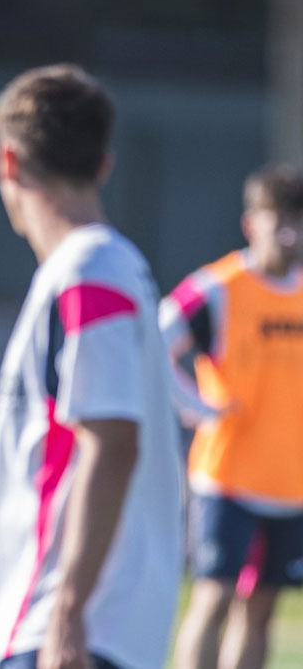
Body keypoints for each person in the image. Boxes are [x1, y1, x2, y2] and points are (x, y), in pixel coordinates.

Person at [0, 64, 184, 669]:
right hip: (71, 628)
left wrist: (68, 614)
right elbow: (68, 468)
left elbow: (112, 446)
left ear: (8, 162)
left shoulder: (90, 270)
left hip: (65, 635)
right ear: (104, 163)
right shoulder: (97, 271)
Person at [161, 164, 303, 669]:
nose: (290, 233)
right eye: (279, 220)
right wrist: (196, 408)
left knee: (262, 609)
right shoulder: (218, 288)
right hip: (226, 477)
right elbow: (156, 345)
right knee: (214, 597)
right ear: (251, 224)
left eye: (298, 221)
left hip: (291, 485)